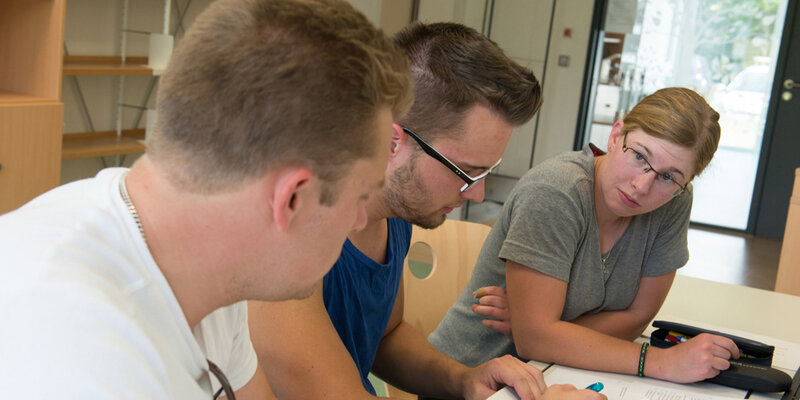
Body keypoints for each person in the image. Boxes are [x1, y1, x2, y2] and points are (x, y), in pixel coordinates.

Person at [0, 0, 415, 397]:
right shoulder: (77, 359)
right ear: (292, 198)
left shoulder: (208, 267)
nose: (360, 220)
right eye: (361, 196)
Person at [248, 22, 605, 400]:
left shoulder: (398, 210)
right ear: (392, 142)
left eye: (485, 172)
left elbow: (385, 336)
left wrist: (464, 379)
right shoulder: (286, 230)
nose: (478, 193)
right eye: (465, 172)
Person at [428, 87, 741, 384]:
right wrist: (662, 362)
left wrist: (552, 333)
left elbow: (637, 317)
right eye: (639, 157)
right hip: (469, 381)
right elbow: (535, 341)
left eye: (669, 177)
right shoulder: (555, 192)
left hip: (563, 375)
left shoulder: (674, 202)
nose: (642, 185)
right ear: (616, 135)